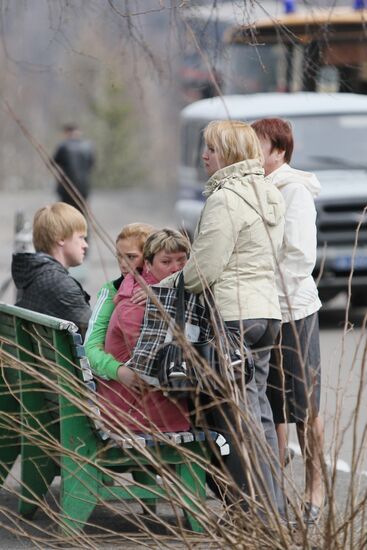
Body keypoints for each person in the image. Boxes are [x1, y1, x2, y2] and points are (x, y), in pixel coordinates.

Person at [161, 120, 286, 521]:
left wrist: (164, 283)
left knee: (236, 421)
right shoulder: (269, 192)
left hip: (233, 318)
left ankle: (256, 515)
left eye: (211, 149)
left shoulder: (226, 198)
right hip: (266, 314)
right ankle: (276, 510)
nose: (204, 156)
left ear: (228, 154)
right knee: (260, 414)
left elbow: (201, 273)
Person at [252, 118, 324, 523]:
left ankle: (315, 493)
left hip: (293, 310)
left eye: (257, 145)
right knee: (272, 406)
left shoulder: (293, 190)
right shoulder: (253, 187)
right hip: (261, 309)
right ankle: (275, 497)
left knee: (305, 407)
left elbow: (299, 256)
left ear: (278, 151)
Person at [97, 228, 191, 433]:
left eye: (181, 261)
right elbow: (154, 367)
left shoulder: (160, 294)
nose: (176, 269)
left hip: (145, 411)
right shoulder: (135, 303)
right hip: (140, 416)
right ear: (147, 265)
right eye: (166, 262)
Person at [84, 222, 156, 381]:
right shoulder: (110, 292)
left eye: (131, 257)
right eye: (119, 256)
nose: (123, 264)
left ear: (149, 258)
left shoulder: (166, 289)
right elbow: (90, 348)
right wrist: (118, 371)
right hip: (120, 386)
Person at [11, 202, 91, 337]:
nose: (86, 245)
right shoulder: (60, 285)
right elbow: (96, 336)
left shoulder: (32, 274)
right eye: (81, 237)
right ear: (60, 238)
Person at [53, 124, 95, 213]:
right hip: (84, 187)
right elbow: (91, 164)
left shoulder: (63, 146)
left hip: (67, 187)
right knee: (81, 211)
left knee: (66, 213)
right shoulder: (87, 146)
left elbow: (54, 163)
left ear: (66, 133)